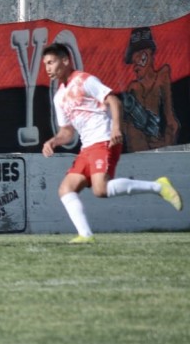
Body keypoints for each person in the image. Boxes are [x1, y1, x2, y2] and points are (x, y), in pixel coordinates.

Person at [40, 42, 182, 244]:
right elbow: (67, 132)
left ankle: (159, 187)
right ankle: (86, 236)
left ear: (65, 60)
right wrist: (53, 141)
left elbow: (113, 101)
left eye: (51, 62)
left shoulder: (84, 80)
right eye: (45, 64)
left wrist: (116, 128)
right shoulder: (59, 97)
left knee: (101, 189)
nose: (48, 68)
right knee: (66, 189)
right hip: (87, 147)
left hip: (103, 138)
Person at [120, 27, 178, 151]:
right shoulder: (133, 88)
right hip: (138, 152)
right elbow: (124, 125)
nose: (135, 67)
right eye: (133, 61)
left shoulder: (162, 76)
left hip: (156, 147)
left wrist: (165, 144)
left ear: (149, 55)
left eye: (140, 58)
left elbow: (172, 122)